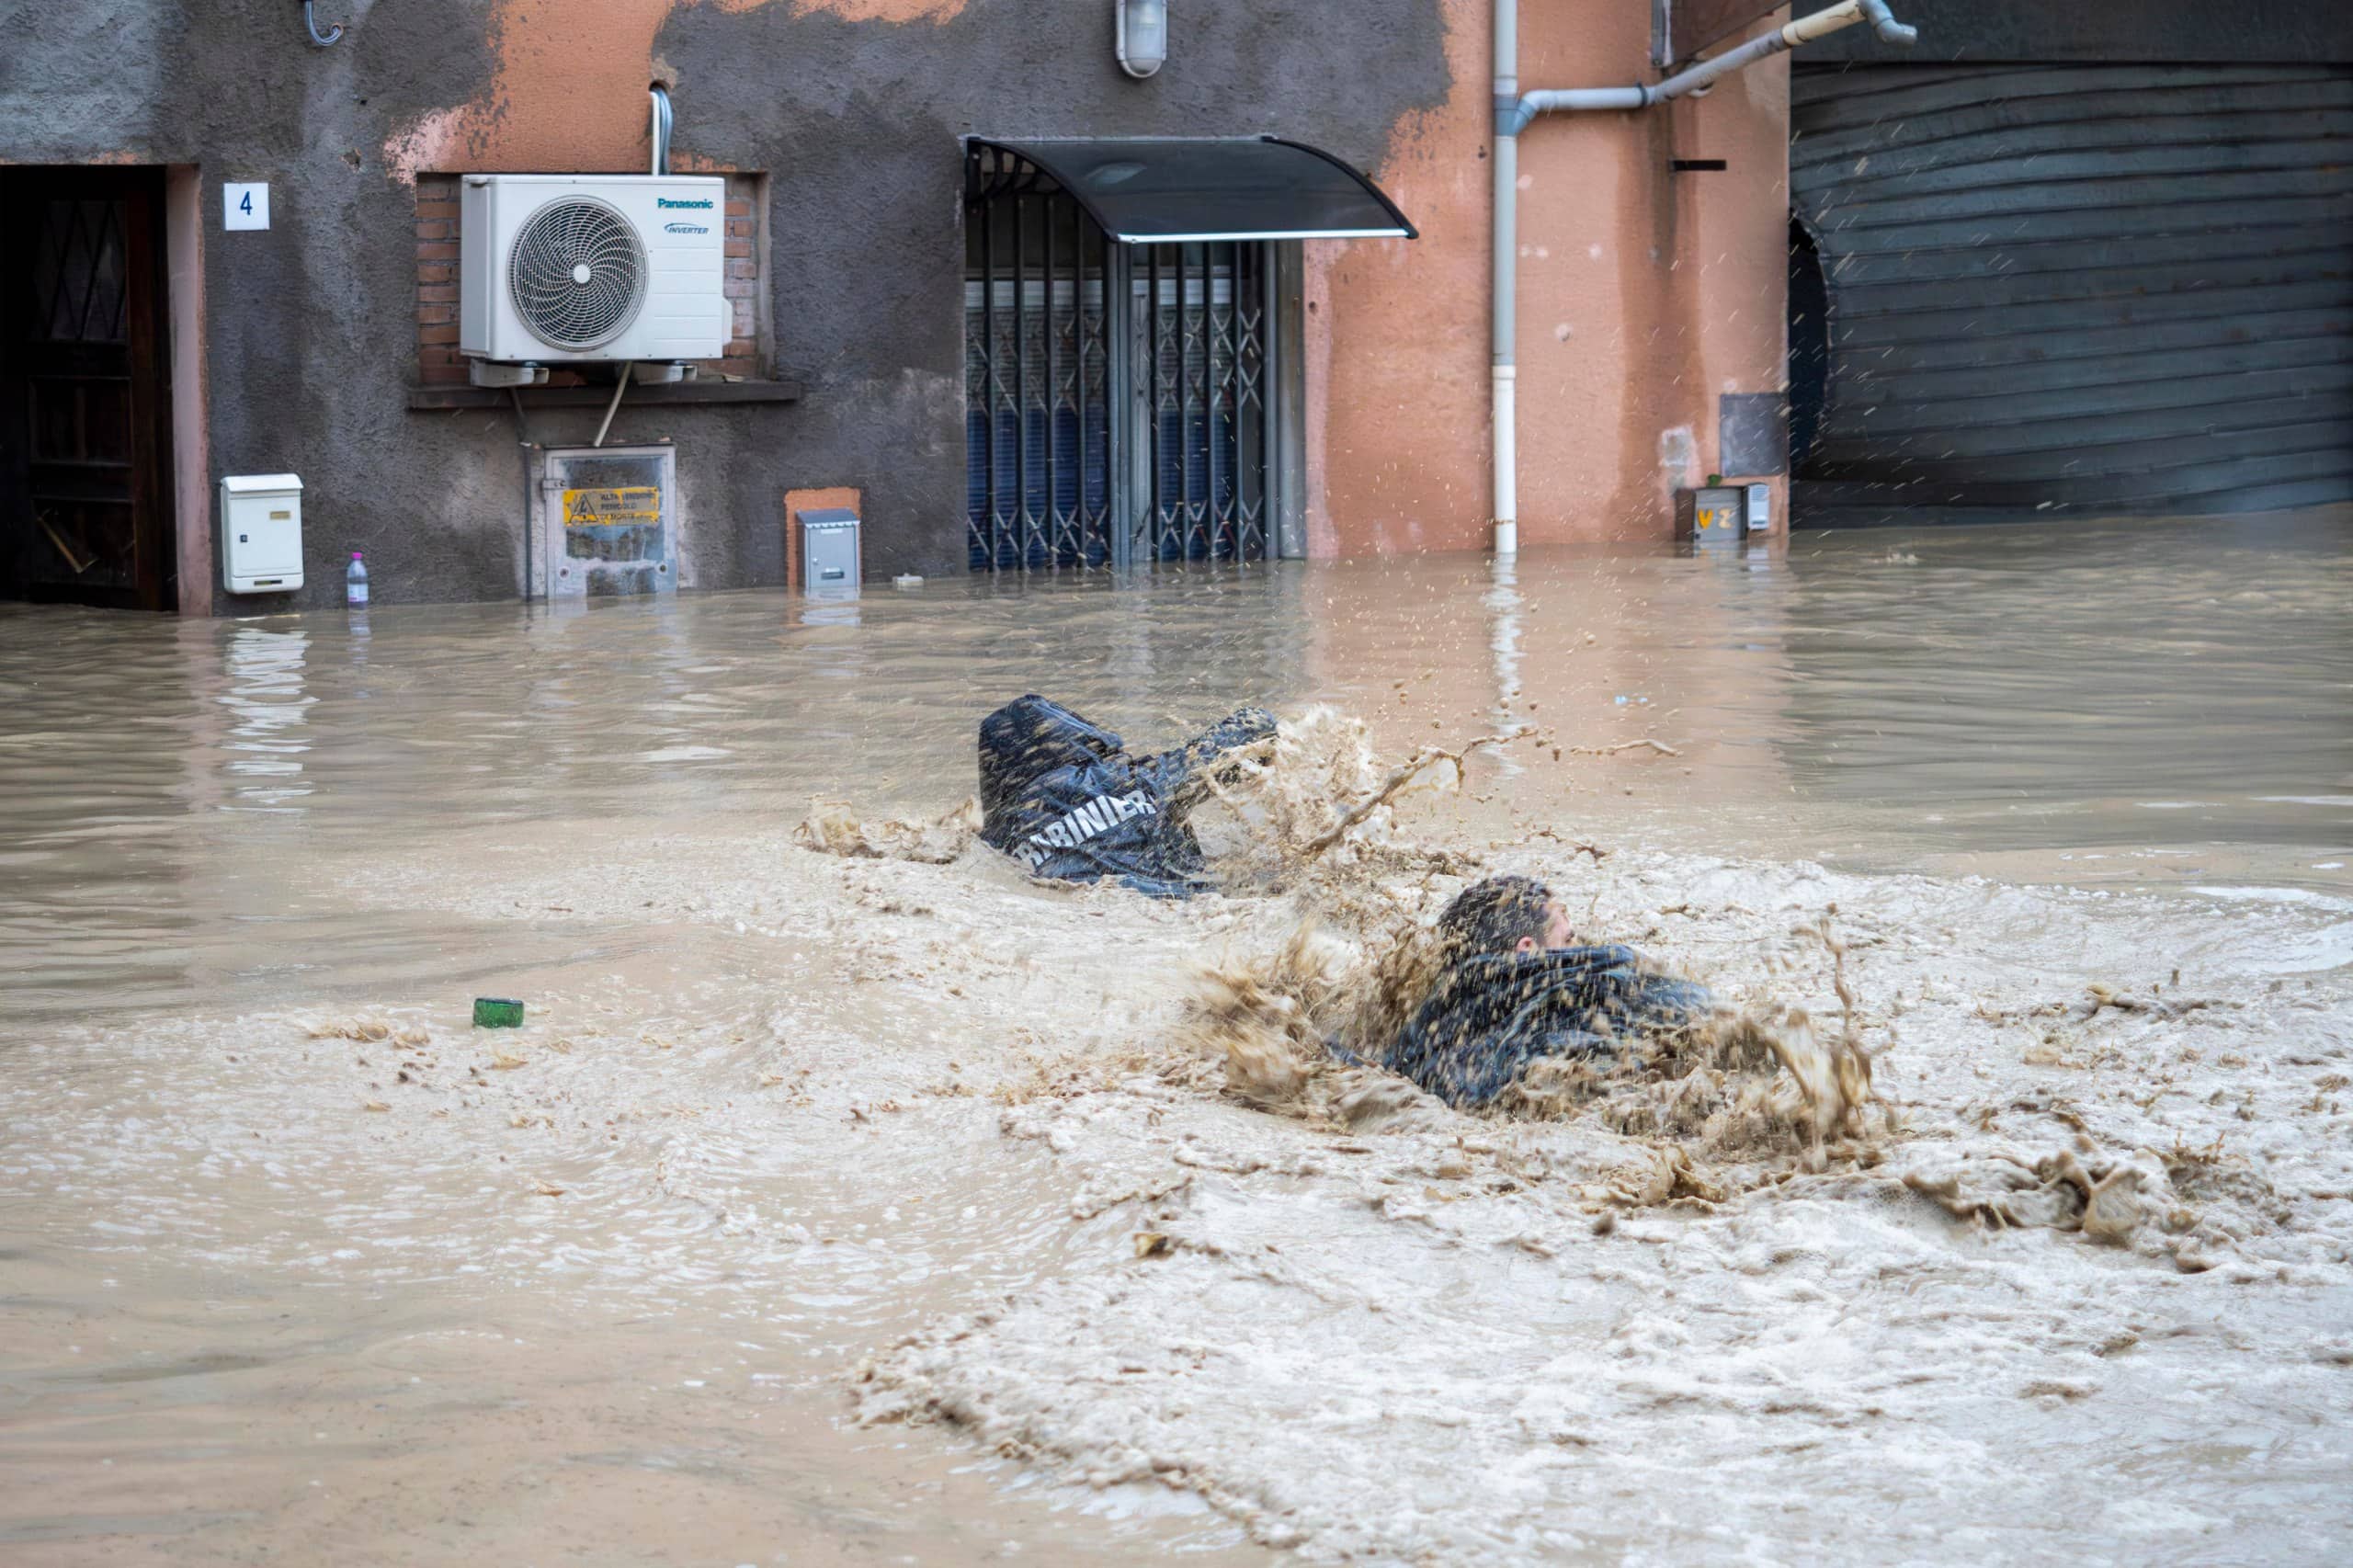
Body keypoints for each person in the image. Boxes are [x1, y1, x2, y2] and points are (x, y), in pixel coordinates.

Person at [1386, 874, 1714, 1108]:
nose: (1578, 947)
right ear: (1527, 951)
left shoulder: (1422, 1040)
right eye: (1568, 940)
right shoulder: (1590, 993)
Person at [976, 695, 1277, 898]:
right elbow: (1259, 726)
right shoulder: (1131, 779)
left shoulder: (1000, 837)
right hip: (1180, 908)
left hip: (1089, 914)